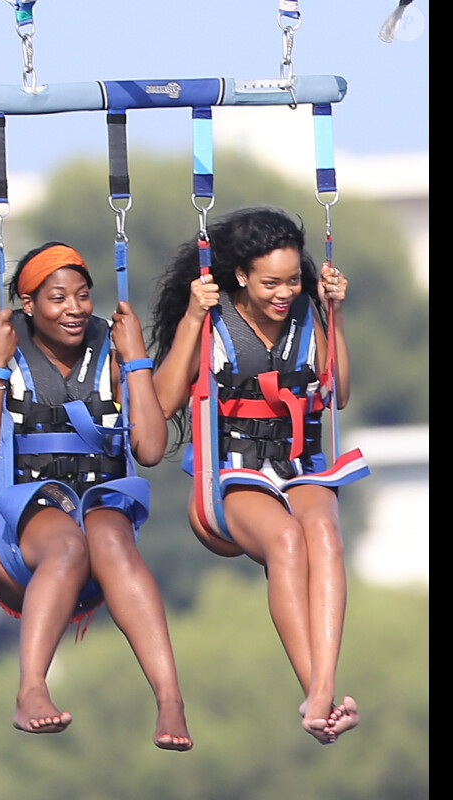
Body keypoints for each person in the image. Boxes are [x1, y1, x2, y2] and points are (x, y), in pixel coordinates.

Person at [0, 241, 192, 750]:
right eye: (57, 298)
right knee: (68, 544)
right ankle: (32, 690)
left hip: (98, 516)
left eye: (82, 296)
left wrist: (135, 362)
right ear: (27, 304)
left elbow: (150, 449)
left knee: (111, 537)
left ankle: (170, 699)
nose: (74, 309)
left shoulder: (112, 356)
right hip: (19, 530)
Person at [148, 207, 365, 745]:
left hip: (299, 465)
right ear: (241, 276)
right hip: (232, 478)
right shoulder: (213, 322)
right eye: (271, 282)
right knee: (287, 541)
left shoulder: (307, 317)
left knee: (325, 537)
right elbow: (162, 402)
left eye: (294, 280)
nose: (285, 292)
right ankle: (314, 688)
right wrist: (193, 320)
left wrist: (334, 315)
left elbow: (337, 393)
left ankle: (324, 694)